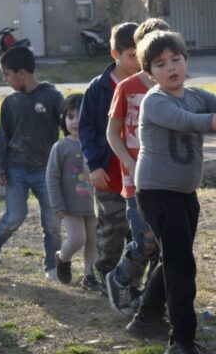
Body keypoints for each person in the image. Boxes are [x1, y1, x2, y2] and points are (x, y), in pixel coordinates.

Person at [134, 30, 216, 354]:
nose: (170, 67)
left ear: (185, 60)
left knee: (172, 260)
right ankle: (181, 341)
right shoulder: (155, 101)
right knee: (182, 265)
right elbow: (192, 122)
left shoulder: (195, 94)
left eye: (175, 59)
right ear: (148, 73)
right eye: (160, 63)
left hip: (184, 194)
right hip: (157, 193)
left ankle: (144, 320)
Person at [0, 46, 65, 282]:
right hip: (16, 170)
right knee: (15, 216)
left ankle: (52, 266)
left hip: (46, 171)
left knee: (53, 222)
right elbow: (2, 137)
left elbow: (70, 127)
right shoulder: (10, 103)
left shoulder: (52, 96)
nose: (5, 80)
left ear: (22, 73)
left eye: (6, 74)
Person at [105, 18, 171, 322]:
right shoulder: (127, 87)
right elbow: (112, 133)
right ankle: (119, 279)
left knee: (163, 245)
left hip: (167, 179)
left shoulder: (173, 84)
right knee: (144, 240)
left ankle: (152, 297)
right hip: (135, 182)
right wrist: (129, 164)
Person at [79, 22, 140, 292]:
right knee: (111, 229)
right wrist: (94, 166)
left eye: (141, 53)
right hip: (109, 171)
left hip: (140, 172)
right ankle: (102, 274)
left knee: (139, 233)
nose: (138, 60)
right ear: (115, 54)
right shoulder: (99, 88)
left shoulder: (149, 82)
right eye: (131, 54)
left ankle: (131, 283)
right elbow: (87, 129)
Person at [46, 93, 97, 286]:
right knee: (77, 239)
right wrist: (57, 204)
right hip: (69, 206)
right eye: (71, 117)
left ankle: (89, 276)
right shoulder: (60, 147)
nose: (76, 122)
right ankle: (63, 258)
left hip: (93, 204)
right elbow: (52, 177)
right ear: (63, 119)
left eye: (81, 116)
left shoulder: (95, 144)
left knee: (93, 242)